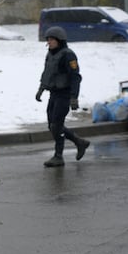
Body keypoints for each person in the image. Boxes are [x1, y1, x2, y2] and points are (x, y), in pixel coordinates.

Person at [35, 26, 90, 168]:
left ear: (60, 40)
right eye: (48, 40)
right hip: (54, 93)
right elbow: (46, 73)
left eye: (52, 39)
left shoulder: (68, 55)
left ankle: (58, 156)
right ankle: (79, 142)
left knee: (56, 125)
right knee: (52, 125)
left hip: (64, 94)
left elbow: (75, 77)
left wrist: (74, 97)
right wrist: (41, 89)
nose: (49, 42)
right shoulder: (50, 54)